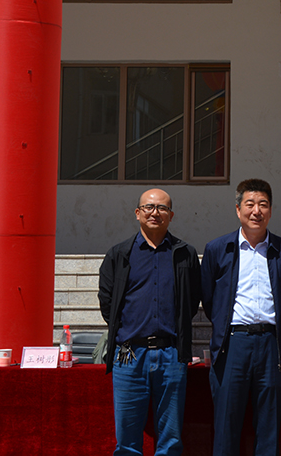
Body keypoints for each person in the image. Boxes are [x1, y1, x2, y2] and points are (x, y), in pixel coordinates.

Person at [201, 178, 281, 456]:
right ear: (238, 209)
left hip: (270, 343)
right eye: (250, 204)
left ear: (271, 210)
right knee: (226, 423)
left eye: (263, 204)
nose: (256, 211)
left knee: (269, 424)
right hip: (233, 343)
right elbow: (209, 299)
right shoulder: (217, 249)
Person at [98, 188, 202, 456]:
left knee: (170, 441)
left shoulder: (184, 254)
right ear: (138, 213)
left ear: (171, 215)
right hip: (128, 354)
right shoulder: (119, 254)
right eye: (149, 207)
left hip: (171, 354)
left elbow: (191, 301)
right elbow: (108, 303)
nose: (155, 213)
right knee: (127, 442)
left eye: (162, 208)